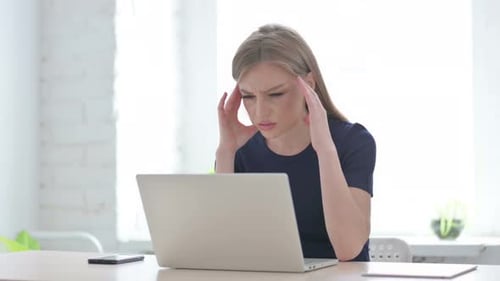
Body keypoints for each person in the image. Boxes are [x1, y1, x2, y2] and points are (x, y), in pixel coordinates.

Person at [215, 24, 376, 262]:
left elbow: (348, 248)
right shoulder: (241, 152)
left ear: (308, 85)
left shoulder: (353, 142)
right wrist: (226, 152)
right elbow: (222, 250)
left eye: (276, 94)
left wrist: (324, 149)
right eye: (248, 96)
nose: (259, 112)